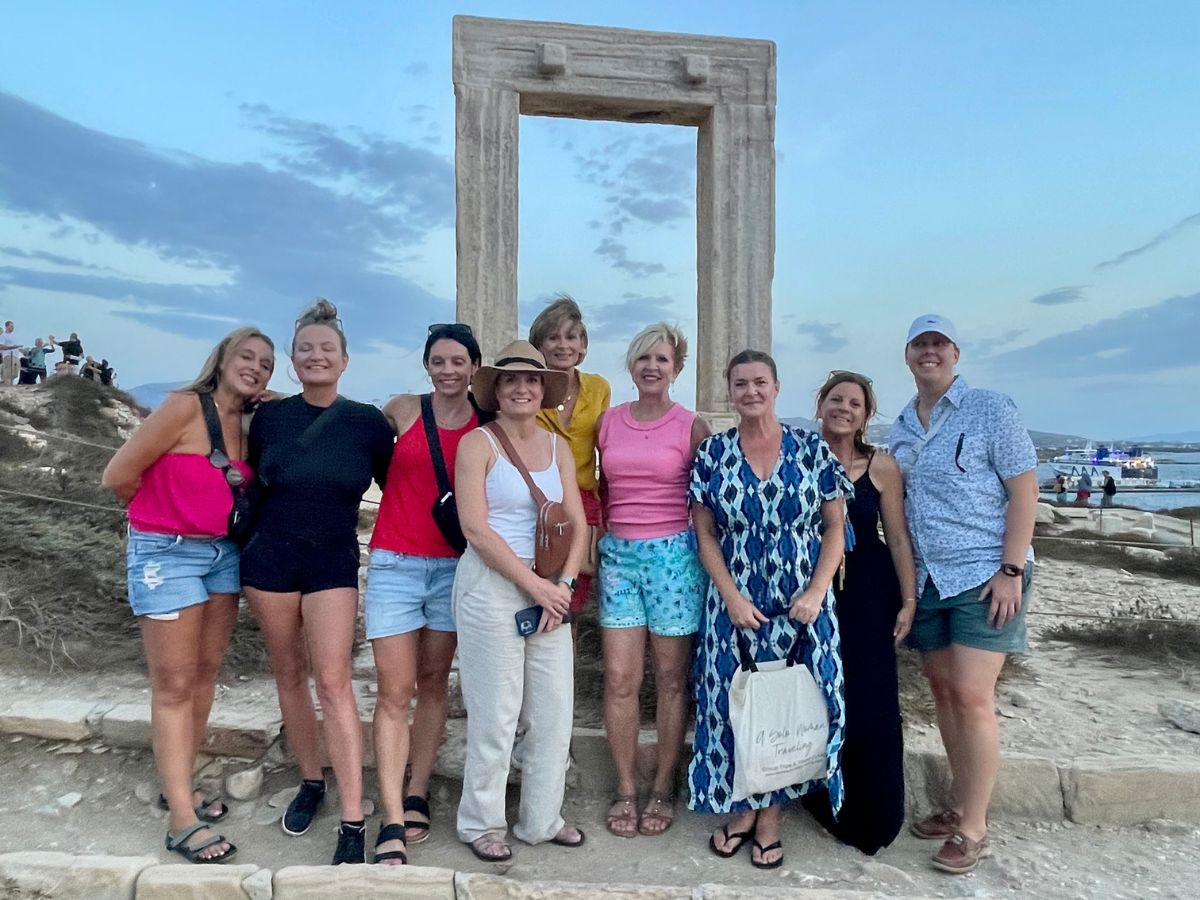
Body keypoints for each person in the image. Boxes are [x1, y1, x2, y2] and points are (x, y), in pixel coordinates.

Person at [101, 326, 275, 863]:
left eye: (266, 364)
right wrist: (163, 517)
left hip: (222, 555)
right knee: (174, 683)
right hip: (167, 553)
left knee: (203, 675)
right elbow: (118, 476)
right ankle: (181, 818)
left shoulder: (246, 424)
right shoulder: (182, 407)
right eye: (246, 356)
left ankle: (179, 786)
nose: (255, 367)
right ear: (221, 359)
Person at [240, 299, 394, 865]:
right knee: (287, 673)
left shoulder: (367, 422)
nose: (316, 355)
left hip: (331, 561)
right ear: (293, 359)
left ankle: (353, 820)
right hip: (270, 560)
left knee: (333, 682)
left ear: (345, 360)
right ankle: (310, 779)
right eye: (305, 348)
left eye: (327, 348)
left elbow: (398, 489)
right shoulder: (270, 419)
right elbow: (248, 482)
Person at [690, 349, 849, 870]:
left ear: (776, 387)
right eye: (741, 383)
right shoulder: (712, 453)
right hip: (734, 604)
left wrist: (817, 591)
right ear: (729, 391)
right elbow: (705, 534)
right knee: (733, 703)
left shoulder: (811, 449)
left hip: (802, 605)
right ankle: (743, 807)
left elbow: (834, 528)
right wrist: (731, 597)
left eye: (760, 382)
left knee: (795, 708)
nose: (751, 391)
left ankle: (771, 815)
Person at [889, 314, 1037, 875]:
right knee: (946, 695)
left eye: (938, 344)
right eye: (919, 345)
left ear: (955, 353)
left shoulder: (991, 408)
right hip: (930, 578)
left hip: (984, 574)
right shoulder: (902, 425)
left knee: (974, 696)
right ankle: (958, 806)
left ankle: (974, 827)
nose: (929, 353)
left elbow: (1024, 492)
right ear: (907, 356)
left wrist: (1011, 568)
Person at [452, 340, 588, 863]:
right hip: (493, 586)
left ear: (543, 390)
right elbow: (476, 530)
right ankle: (481, 822)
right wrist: (537, 588)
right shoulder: (478, 444)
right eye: (511, 381)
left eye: (531, 381)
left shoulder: (557, 447)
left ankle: (540, 818)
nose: (522, 388)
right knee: (496, 713)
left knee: (554, 712)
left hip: (551, 586)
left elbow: (576, 522)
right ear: (496, 390)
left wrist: (566, 586)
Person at [364, 323, 488, 866]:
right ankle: (391, 816)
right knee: (394, 689)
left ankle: (418, 789)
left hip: (455, 567)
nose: (448, 370)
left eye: (458, 361)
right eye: (438, 361)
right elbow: (362, 446)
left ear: (474, 367)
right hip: (394, 560)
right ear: (427, 366)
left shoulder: (488, 425)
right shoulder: (403, 410)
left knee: (435, 681)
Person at [595, 323, 710, 839]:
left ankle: (664, 784)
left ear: (676, 368)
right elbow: (602, 488)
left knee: (669, 680)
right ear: (632, 365)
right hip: (619, 556)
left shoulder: (691, 426)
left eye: (662, 359)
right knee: (620, 680)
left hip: (674, 559)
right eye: (643, 358)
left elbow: (706, 503)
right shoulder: (609, 422)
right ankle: (625, 786)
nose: (652, 367)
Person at [800, 370, 917, 855]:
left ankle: (872, 812)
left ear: (867, 414)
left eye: (855, 402)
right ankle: (818, 793)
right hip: (812, 588)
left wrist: (909, 599)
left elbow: (898, 538)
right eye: (835, 398)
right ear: (820, 404)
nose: (844, 407)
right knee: (817, 691)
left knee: (870, 698)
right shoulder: (798, 457)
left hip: (868, 590)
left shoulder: (882, 467)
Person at [529, 296, 611, 615]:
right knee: (536, 597)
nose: (563, 345)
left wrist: (605, 513)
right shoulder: (527, 387)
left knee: (571, 603)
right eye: (553, 337)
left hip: (584, 505)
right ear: (540, 345)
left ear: (583, 344)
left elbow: (605, 450)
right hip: (537, 502)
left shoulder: (599, 388)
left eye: (571, 336)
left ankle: (567, 666)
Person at [0, 321, 21, 385]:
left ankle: (10, 386)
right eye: (11, 326)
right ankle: (7, 387)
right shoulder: (3, 335)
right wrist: (11, 347)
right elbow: (1, 346)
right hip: (8, 356)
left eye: (13, 326)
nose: (13, 327)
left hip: (16, 356)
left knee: (14, 374)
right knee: (8, 373)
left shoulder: (14, 336)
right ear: (7, 326)